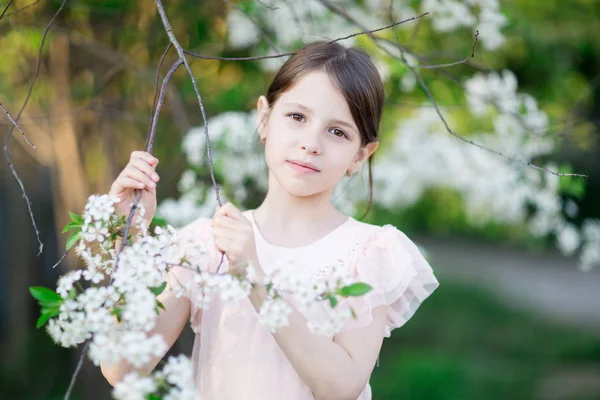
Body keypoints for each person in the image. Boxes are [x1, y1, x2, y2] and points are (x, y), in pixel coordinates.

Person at [101, 41, 439, 399]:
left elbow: (341, 387)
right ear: (264, 118)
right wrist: (127, 240)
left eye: (337, 132)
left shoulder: (366, 254)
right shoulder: (210, 243)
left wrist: (254, 279)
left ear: (360, 155)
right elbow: (121, 367)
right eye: (297, 117)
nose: (311, 143)